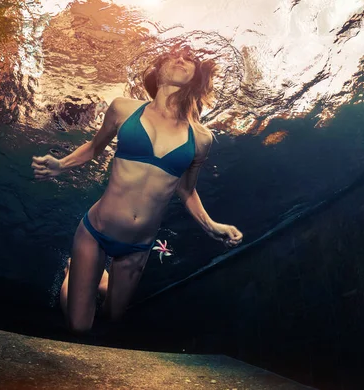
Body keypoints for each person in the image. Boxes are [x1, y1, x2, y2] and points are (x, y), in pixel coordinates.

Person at [31, 47, 243, 334]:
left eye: (190, 60)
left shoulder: (201, 138)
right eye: (173, 56)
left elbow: (187, 191)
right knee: (80, 327)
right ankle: (73, 272)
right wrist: (61, 165)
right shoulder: (123, 109)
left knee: (114, 316)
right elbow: (94, 149)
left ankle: (99, 278)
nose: (181, 59)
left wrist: (211, 226)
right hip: (96, 231)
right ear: (158, 69)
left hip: (139, 247)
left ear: (196, 77)